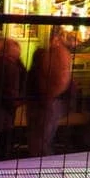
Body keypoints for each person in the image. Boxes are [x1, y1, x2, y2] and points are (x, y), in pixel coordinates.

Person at [28, 27, 73, 157]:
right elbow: (62, 79)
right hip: (47, 100)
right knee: (42, 139)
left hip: (43, 100)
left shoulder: (50, 53)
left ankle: (39, 165)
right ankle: (42, 166)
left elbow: (61, 79)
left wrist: (48, 95)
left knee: (40, 139)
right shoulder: (58, 53)